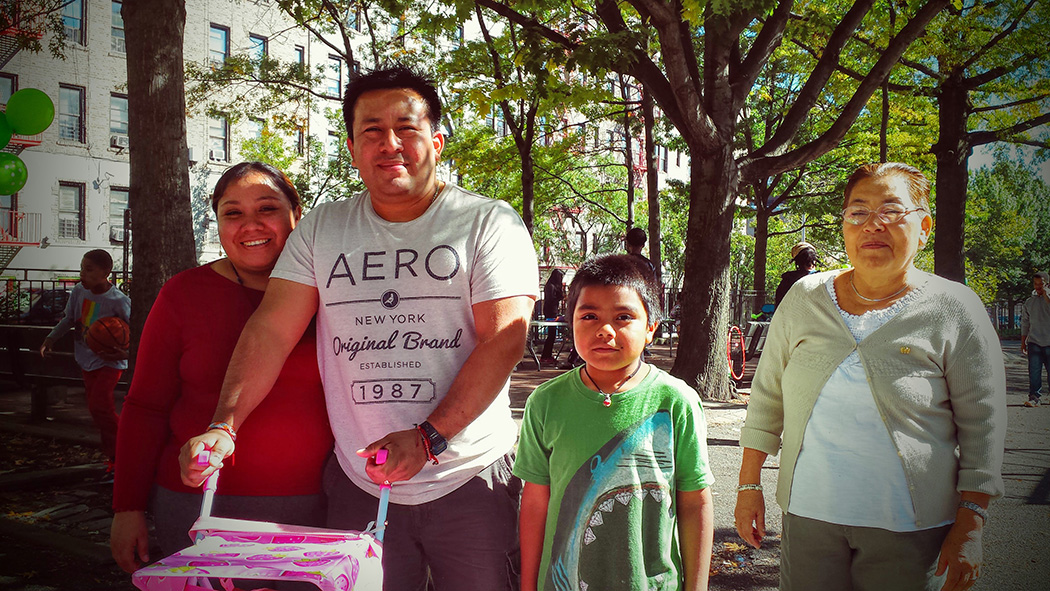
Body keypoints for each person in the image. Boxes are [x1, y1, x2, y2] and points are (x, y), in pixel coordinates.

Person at [179, 65, 538, 591]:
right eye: (371, 130)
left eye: (406, 127)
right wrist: (223, 425)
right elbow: (271, 331)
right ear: (352, 148)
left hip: (470, 474)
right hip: (359, 480)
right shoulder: (324, 228)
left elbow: (503, 341)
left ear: (437, 141)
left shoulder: (489, 223)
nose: (389, 143)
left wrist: (428, 437)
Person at [734, 162, 1006, 591]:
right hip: (809, 518)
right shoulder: (805, 298)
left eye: (892, 211)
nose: (872, 225)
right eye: (858, 212)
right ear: (844, 225)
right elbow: (767, 398)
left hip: (912, 528)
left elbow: (983, 426)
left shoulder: (955, 308)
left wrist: (972, 524)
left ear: (924, 226)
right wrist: (749, 484)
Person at [109, 162, 333, 576]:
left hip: (315, 508)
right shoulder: (183, 294)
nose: (250, 225)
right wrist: (127, 508)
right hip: (197, 505)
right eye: (233, 213)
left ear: (296, 215)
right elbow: (145, 408)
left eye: (267, 209)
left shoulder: (335, 292)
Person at [515, 254, 714, 591]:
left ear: (651, 327)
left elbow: (695, 501)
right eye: (589, 316)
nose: (605, 330)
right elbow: (535, 501)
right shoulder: (545, 402)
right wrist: (528, 584)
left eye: (624, 317)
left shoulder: (677, 401)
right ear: (571, 324)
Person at [40, 249, 130, 469]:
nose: (83, 273)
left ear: (106, 272)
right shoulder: (79, 291)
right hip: (86, 358)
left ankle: (124, 452)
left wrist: (125, 353)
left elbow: (136, 330)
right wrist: (51, 337)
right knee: (96, 409)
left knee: (101, 406)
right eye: (82, 268)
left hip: (109, 361)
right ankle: (114, 457)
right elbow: (69, 318)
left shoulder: (118, 300)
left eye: (89, 269)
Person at [1020, 271, 1050, 407]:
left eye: (1041, 284)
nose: (1038, 287)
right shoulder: (1029, 302)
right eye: (1036, 284)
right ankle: (1035, 397)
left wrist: (1046, 295)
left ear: (1047, 284)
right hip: (1034, 342)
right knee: (1034, 371)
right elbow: (1025, 323)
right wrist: (1023, 343)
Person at [773, 241, 817, 307]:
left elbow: (779, 307)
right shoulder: (823, 281)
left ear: (797, 261)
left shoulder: (787, 282)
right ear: (814, 260)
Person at [539, 268, 564, 363]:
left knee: (552, 335)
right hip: (551, 313)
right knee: (551, 335)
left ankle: (547, 355)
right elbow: (551, 300)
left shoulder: (551, 286)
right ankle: (545, 355)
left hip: (552, 312)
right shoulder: (551, 287)